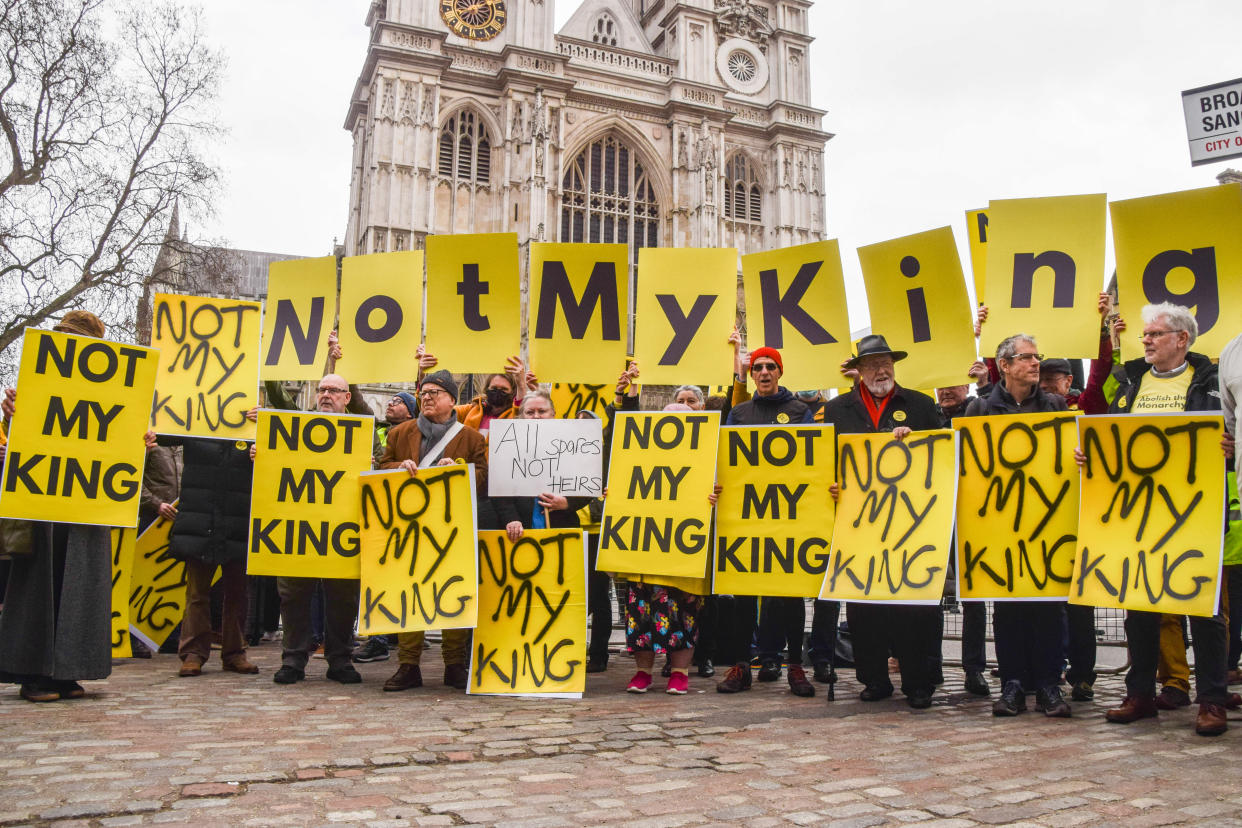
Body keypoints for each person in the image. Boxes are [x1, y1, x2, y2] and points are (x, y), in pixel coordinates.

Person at [0, 311, 150, 702]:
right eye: (64, 336)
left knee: (83, 585)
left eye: (76, 337)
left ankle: (68, 671)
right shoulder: (38, 381)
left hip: (89, 504)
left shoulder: (115, 390)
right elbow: (26, 437)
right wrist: (11, 413)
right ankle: (32, 674)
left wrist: (140, 439)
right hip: (46, 502)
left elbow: (116, 436)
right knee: (41, 583)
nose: (68, 342)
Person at [1100, 302, 1230, 736]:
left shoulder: (1212, 381)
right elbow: (1113, 436)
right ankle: (1139, 694)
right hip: (1139, 511)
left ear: (1182, 340)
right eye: (1145, 334)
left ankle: (1211, 701)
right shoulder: (1129, 381)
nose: (1146, 340)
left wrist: (1234, 448)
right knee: (1139, 608)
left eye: (1155, 334)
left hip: (1196, 510)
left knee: (1205, 612)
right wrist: (1095, 454)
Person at [822, 334, 943, 709]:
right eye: (873, 363)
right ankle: (873, 678)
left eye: (887, 361)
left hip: (911, 524)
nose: (882, 369)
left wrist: (917, 441)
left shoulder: (922, 405)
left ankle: (919, 682)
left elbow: (942, 455)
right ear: (858, 370)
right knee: (864, 607)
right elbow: (826, 459)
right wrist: (831, 485)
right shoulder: (838, 409)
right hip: (859, 524)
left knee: (914, 607)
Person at [963, 334, 1072, 718]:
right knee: (1008, 608)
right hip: (1000, 525)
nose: (1035, 363)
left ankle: (1048, 685)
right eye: (1026, 358)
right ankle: (1011, 684)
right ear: (1004, 366)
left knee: (1048, 607)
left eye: (1036, 357)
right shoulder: (979, 410)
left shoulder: (1056, 405)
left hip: (1046, 524)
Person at [718, 343, 820, 699]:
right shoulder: (740, 412)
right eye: (757, 367)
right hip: (748, 518)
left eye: (769, 367)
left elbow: (812, 461)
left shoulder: (798, 410)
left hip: (787, 517)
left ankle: (794, 665)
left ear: (779, 372)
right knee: (743, 596)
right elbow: (726, 460)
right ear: (751, 373)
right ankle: (741, 666)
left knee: (788, 597)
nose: (763, 373)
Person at [379, 369, 488, 691]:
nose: (426, 397)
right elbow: (379, 467)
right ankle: (408, 664)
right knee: (410, 594)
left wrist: (459, 470)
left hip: (452, 530)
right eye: (423, 393)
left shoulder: (470, 438)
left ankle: (454, 664)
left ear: (452, 400)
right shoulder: (400, 434)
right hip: (409, 530)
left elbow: (483, 478)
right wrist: (397, 468)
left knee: (453, 594)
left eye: (434, 393)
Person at [263, 373, 371, 686]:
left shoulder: (362, 429)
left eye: (334, 390)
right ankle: (293, 660)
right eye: (322, 389)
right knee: (293, 594)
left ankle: (340, 660)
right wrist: (264, 454)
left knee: (343, 598)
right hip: (302, 525)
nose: (325, 395)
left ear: (347, 397)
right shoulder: (296, 426)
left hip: (343, 527)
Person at [160, 428, 260, 678]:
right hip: (200, 520)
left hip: (238, 521)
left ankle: (235, 652)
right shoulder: (195, 424)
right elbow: (163, 431)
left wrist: (262, 445)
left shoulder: (254, 430)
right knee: (197, 592)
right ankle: (193, 653)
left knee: (237, 592)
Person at [623, 403, 707, 696]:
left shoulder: (706, 458)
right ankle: (642, 672)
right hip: (645, 551)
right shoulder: (640, 455)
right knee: (641, 612)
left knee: (683, 612)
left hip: (684, 552)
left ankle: (680, 674)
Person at [351, 390, 418, 665]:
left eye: (399, 401)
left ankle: (398, 635)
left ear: (411, 412)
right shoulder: (378, 429)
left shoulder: (416, 433)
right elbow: (356, 402)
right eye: (390, 400)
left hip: (406, 515)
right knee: (377, 578)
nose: (391, 403)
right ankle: (380, 638)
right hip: (379, 511)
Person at [936, 377, 990, 697]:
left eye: (954, 383)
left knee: (973, 597)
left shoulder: (977, 409)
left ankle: (974, 669)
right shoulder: (927, 415)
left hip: (970, 516)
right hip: (933, 516)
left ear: (966, 387)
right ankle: (932, 663)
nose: (946, 390)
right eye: (941, 385)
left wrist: (985, 382)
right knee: (927, 596)